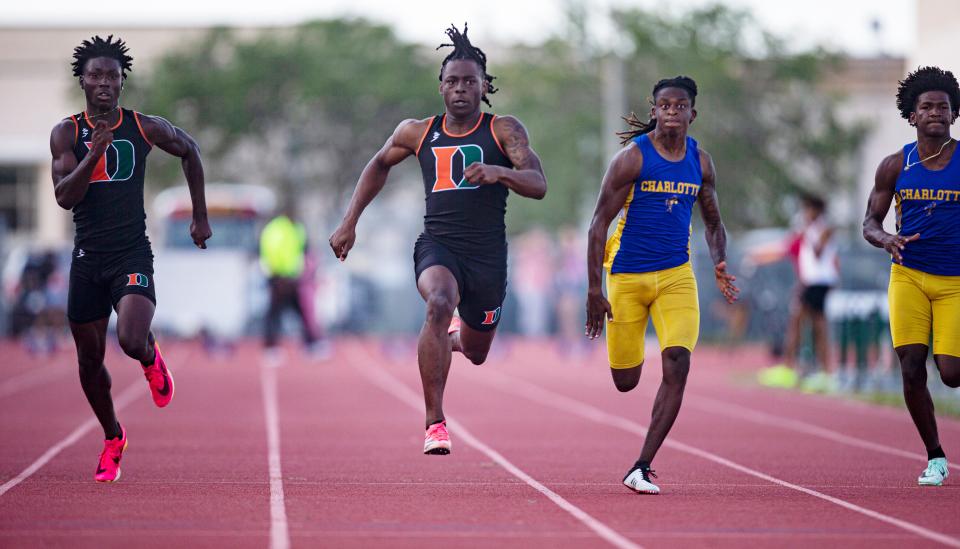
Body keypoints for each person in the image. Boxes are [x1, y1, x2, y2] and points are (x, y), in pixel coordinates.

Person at [329, 24, 546, 455]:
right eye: (452, 81)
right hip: (438, 245)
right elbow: (378, 164)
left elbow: (538, 183)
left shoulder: (503, 130)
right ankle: (435, 423)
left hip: (487, 255)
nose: (461, 88)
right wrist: (350, 220)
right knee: (438, 301)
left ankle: (448, 338)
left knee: (478, 351)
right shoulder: (418, 131)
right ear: (441, 88)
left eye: (470, 81)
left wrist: (499, 171)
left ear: (484, 86)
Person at [49, 35, 211, 483]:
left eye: (112, 77)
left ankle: (150, 357)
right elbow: (64, 197)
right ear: (82, 80)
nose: (104, 83)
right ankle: (113, 436)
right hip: (88, 258)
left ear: (122, 83)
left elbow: (190, 150)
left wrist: (199, 216)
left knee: (132, 338)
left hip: (131, 252)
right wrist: (94, 153)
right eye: (96, 75)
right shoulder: (67, 132)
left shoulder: (143, 126)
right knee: (88, 361)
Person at [585, 76, 738, 494]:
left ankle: (642, 465)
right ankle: (630, 364)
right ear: (653, 110)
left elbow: (713, 222)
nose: (672, 112)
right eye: (664, 105)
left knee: (678, 362)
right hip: (627, 277)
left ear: (692, 113)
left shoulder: (701, 163)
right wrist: (593, 289)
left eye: (680, 105)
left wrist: (720, 260)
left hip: (676, 276)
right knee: (625, 381)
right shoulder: (632, 160)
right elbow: (598, 223)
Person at [863, 66, 960, 487]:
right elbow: (869, 221)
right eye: (927, 107)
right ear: (912, 115)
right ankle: (935, 456)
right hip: (908, 277)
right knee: (910, 366)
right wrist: (886, 239)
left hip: (955, 281)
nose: (936, 112)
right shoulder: (893, 165)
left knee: (952, 374)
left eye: (944, 107)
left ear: (954, 115)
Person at [260, 207, 323, 358]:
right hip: (279, 277)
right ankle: (271, 346)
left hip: (294, 277)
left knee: (299, 311)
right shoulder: (276, 229)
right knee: (275, 312)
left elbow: (303, 249)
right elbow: (270, 251)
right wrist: (278, 275)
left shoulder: (297, 228)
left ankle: (310, 343)